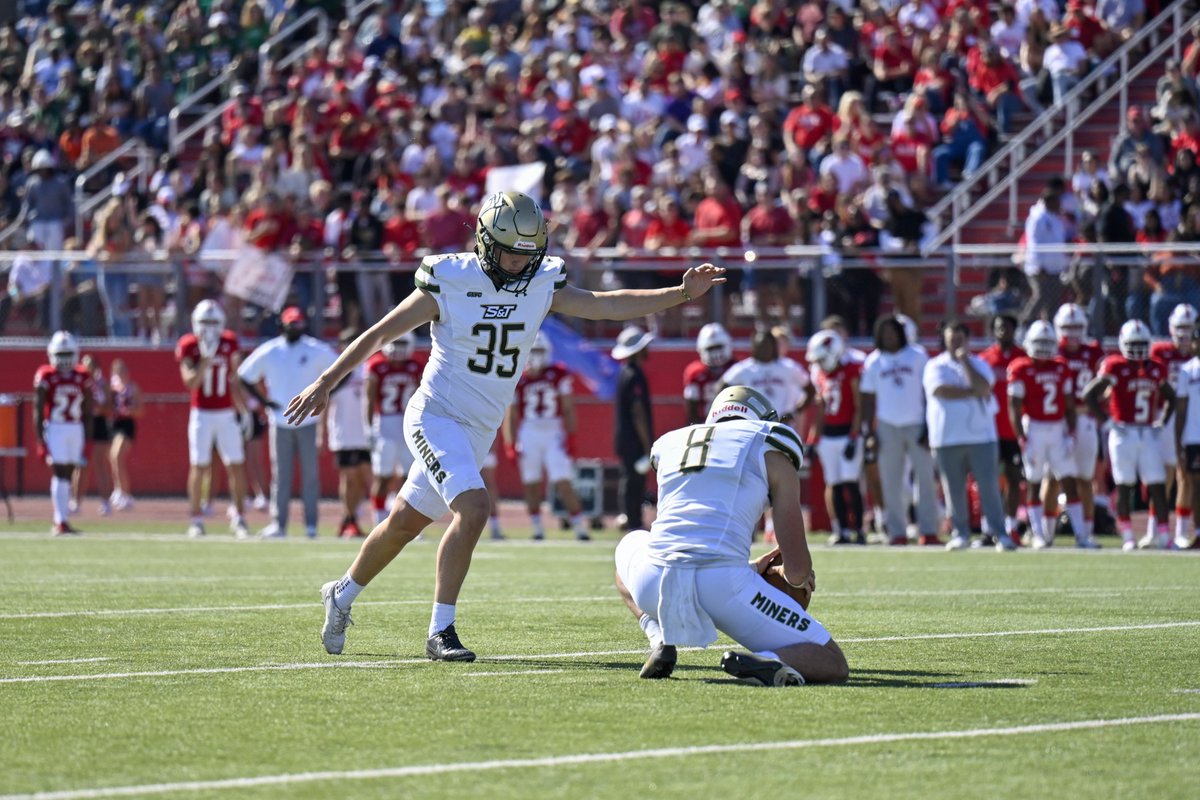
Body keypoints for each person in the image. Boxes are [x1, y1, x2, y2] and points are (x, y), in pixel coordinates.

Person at [285, 191, 725, 662]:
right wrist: (327, 380)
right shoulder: (450, 279)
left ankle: (342, 593)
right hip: (436, 414)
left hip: (479, 428)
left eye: (526, 253)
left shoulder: (540, 281)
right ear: (484, 241)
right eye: (509, 251)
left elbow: (606, 304)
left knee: (402, 525)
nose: (518, 263)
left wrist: (678, 294)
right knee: (474, 508)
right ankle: (441, 631)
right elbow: (379, 333)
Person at [614, 386, 848, 686]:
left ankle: (658, 637)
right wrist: (792, 582)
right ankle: (768, 660)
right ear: (762, 419)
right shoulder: (770, 445)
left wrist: (751, 568)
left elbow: (685, 541)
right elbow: (798, 571)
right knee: (832, 662)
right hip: (724, 586)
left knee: (630, 544)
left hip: (654, 582)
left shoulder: (672, 444)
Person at [239, 306, 338, 539]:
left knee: (310, 475)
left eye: (299, 323)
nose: (296, 328)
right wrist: (264, 401)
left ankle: (311, 524)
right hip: (280, 421)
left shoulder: (314, 349)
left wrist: (325, 393)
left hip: (308, 421)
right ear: (282, 325)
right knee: (280, 476)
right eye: (291, 324)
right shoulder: (271, 350)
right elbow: (245, 376)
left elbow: (340, 369)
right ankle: (279, 523)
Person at [924, 320, 1016, 551]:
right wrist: (970, 392)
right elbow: (940, 391)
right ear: (944, 339)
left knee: (989, 488)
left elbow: (984, 387)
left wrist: (965, 361)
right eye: (951, 338)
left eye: (959, 338)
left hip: (982, 437)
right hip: (946, 437)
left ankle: (999, 533)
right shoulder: (935, 365)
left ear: (967, 340)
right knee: (953, 489)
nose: (955, 343)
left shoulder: (979, 363)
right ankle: (960, 533)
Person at [1083, 320, 1175, 551]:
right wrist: (1107, 423)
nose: (1137, 349)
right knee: (1124, 485)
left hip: (1146, 431)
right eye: (1133, 343)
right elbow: (1089, 395)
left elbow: (1171, 398)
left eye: (1141, 343)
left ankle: (1163, 535)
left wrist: (1162, 421)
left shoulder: (1155, 367)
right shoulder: (1115, 365)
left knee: (1157, 484)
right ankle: (1127, 536)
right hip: (1123, 431)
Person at [1008, 321, 1095, 549]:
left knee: (1069, 481)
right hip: (1034, 427)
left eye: (1047, 343)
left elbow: (1069, 405)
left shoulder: (1061, 366)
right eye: (1039, 343)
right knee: (1035, 482)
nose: (1044, 348)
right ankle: (1038, 534)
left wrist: (1072, 432)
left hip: (1057, 428)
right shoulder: (1020, 367)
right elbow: (1014, 406)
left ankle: (1081, 536)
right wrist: (1021, 436)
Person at [501, 332, 591, 541]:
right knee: (531, 482)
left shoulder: (558, 374)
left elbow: (568, 407)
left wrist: (571, 436)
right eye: (533, 351)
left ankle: (579, 528)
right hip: (529, 432)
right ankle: (537, 528)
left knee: (563, 480)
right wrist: (509, 443)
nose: (536, 355)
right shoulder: (518, 378)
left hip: (554, 431)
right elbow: (511, 415)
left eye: (540, 350)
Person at [860, 316, 941, 545]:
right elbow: (867, 398)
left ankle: (929, 530)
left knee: (925, 479)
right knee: (891, 481)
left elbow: (929, 393)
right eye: (884, 332)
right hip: (887, 426)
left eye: (893, 331)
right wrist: (869, 432)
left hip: (917, 423)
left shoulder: (917, 356)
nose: (889, 336)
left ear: (901, 333)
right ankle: (897, 532)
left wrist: (929, 425)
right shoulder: (873, 361)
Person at [176, 300, 250, 539]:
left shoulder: (229, 341)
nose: (208, 327)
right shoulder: (189, 344)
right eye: (204, 322)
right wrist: (205, 360)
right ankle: (196, 519)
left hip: (226, 412)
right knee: (198, 466)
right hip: (201, 413)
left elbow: (235, 379)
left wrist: (244, 409)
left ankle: (239, 517)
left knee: (236, 464)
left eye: (212, 322)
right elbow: (190, 383)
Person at [805, 330, 865, 546]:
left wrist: (854, 435)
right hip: (828, 435)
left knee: (851, 482)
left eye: (822, 358)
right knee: (834, 483)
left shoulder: (852, 370)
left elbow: (859, 406)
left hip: (848, 432)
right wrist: (812, 440)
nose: (819, 363)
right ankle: (840, 530)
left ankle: (859, 529)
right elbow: (820, 410)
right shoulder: (819, 374)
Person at [1055, 303, 1106, 545]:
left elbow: (1106, 389)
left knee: (1085, 479)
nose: (1073, 333)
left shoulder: (1094, 352)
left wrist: (1091, 407)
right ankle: (1042, 532)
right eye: (1067, 327)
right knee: (1052, 478)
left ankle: (1086, 532)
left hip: (1085, 421)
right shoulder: (1052, 351)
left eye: (1077, 327)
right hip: (1057, 423)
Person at [35, 332, 92, 535]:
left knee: (68, 473)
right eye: (61, 353)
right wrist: (40, 440)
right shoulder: (46, 375)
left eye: (68, 353)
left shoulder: (83, 375)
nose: (65, 358)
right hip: (56, 426)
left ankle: (62, 519)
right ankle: (60, 520)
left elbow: (88, 409)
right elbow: (38, 407)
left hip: (75, 427)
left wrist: (88, 438)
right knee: (60, 473)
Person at [978, 315, 1027, 545]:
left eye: (1006, 327)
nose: (1002, 331)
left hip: (1014, 431)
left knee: (1014, 479)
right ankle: (989, 528)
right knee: (989, 481)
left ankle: (1010, 527)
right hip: (990, 430)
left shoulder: (1023, 358)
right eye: (998, 328)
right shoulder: (984, 359)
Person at [1151, 304, 1196, 546]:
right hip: (1165, 416)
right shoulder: (1160, 351)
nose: (1185, 333)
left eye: (1189, 328)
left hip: (1193, 419)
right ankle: (1154, 530)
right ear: (1171, 328)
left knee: (1186, 475)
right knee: (1160, 475)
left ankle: (1180, 531)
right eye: (1180, 327)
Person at [365, 333, 421, 526]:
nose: (398, 347)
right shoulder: (376, 366)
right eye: (395, 342)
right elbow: (370, 399)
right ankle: (378, 520)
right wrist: (368, 428)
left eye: (402, 343)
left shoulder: (415, 367)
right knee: (383, 476)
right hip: (385, 425)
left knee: (410, 477)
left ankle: (404, 520)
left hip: (409, 425)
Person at [324, 329, 373, 539]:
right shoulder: (337, 370)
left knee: (365, 477)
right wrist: (321, 432)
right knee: (349, 477)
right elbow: (325, 399)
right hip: (344, 431)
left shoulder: (367, 368)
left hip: (366, 432)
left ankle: (352, 518)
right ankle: (349, 519)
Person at [613, 325, 656, 534]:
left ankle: (630, 518)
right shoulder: (635, 375)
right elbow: (638, 411)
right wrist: (648, 444)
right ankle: (633, 522)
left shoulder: (624, 373)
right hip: (634, 441)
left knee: (630, 479)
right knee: (634, 482)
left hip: (625, 438)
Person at [72, 354, 112, 516]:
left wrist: (96, 407)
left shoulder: (103, 384)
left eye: (91, 366)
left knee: (100, 464)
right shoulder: (78, 383)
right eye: (85, 365)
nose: (88, 369)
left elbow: (109, 408)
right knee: (81, 466)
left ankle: (105, 502)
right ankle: (75, 502)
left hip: (99, 424)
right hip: (83, 425)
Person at [1172, 325, 1200, 548]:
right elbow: (1180, 410)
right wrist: (1177, 443)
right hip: (1194, 437)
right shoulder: (1187, 371)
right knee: (1196, 487)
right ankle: (1198, 532)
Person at [683, 323, 733, 425]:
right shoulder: (695, 372)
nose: (715, 352)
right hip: (705, 423)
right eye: (711, 348)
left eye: (718, 346)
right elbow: (691, 408)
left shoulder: (735, 368)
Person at [108, 358, 142, 512]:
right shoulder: (112, 388)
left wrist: (128, 411)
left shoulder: (133, 388)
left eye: (122, 371)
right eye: (117, 371)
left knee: (117, 455)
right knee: (113, 457)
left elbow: (140, 410)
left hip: (127, 425)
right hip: (115, 425)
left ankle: (126, 494)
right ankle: (118, 490)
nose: (120, 374)